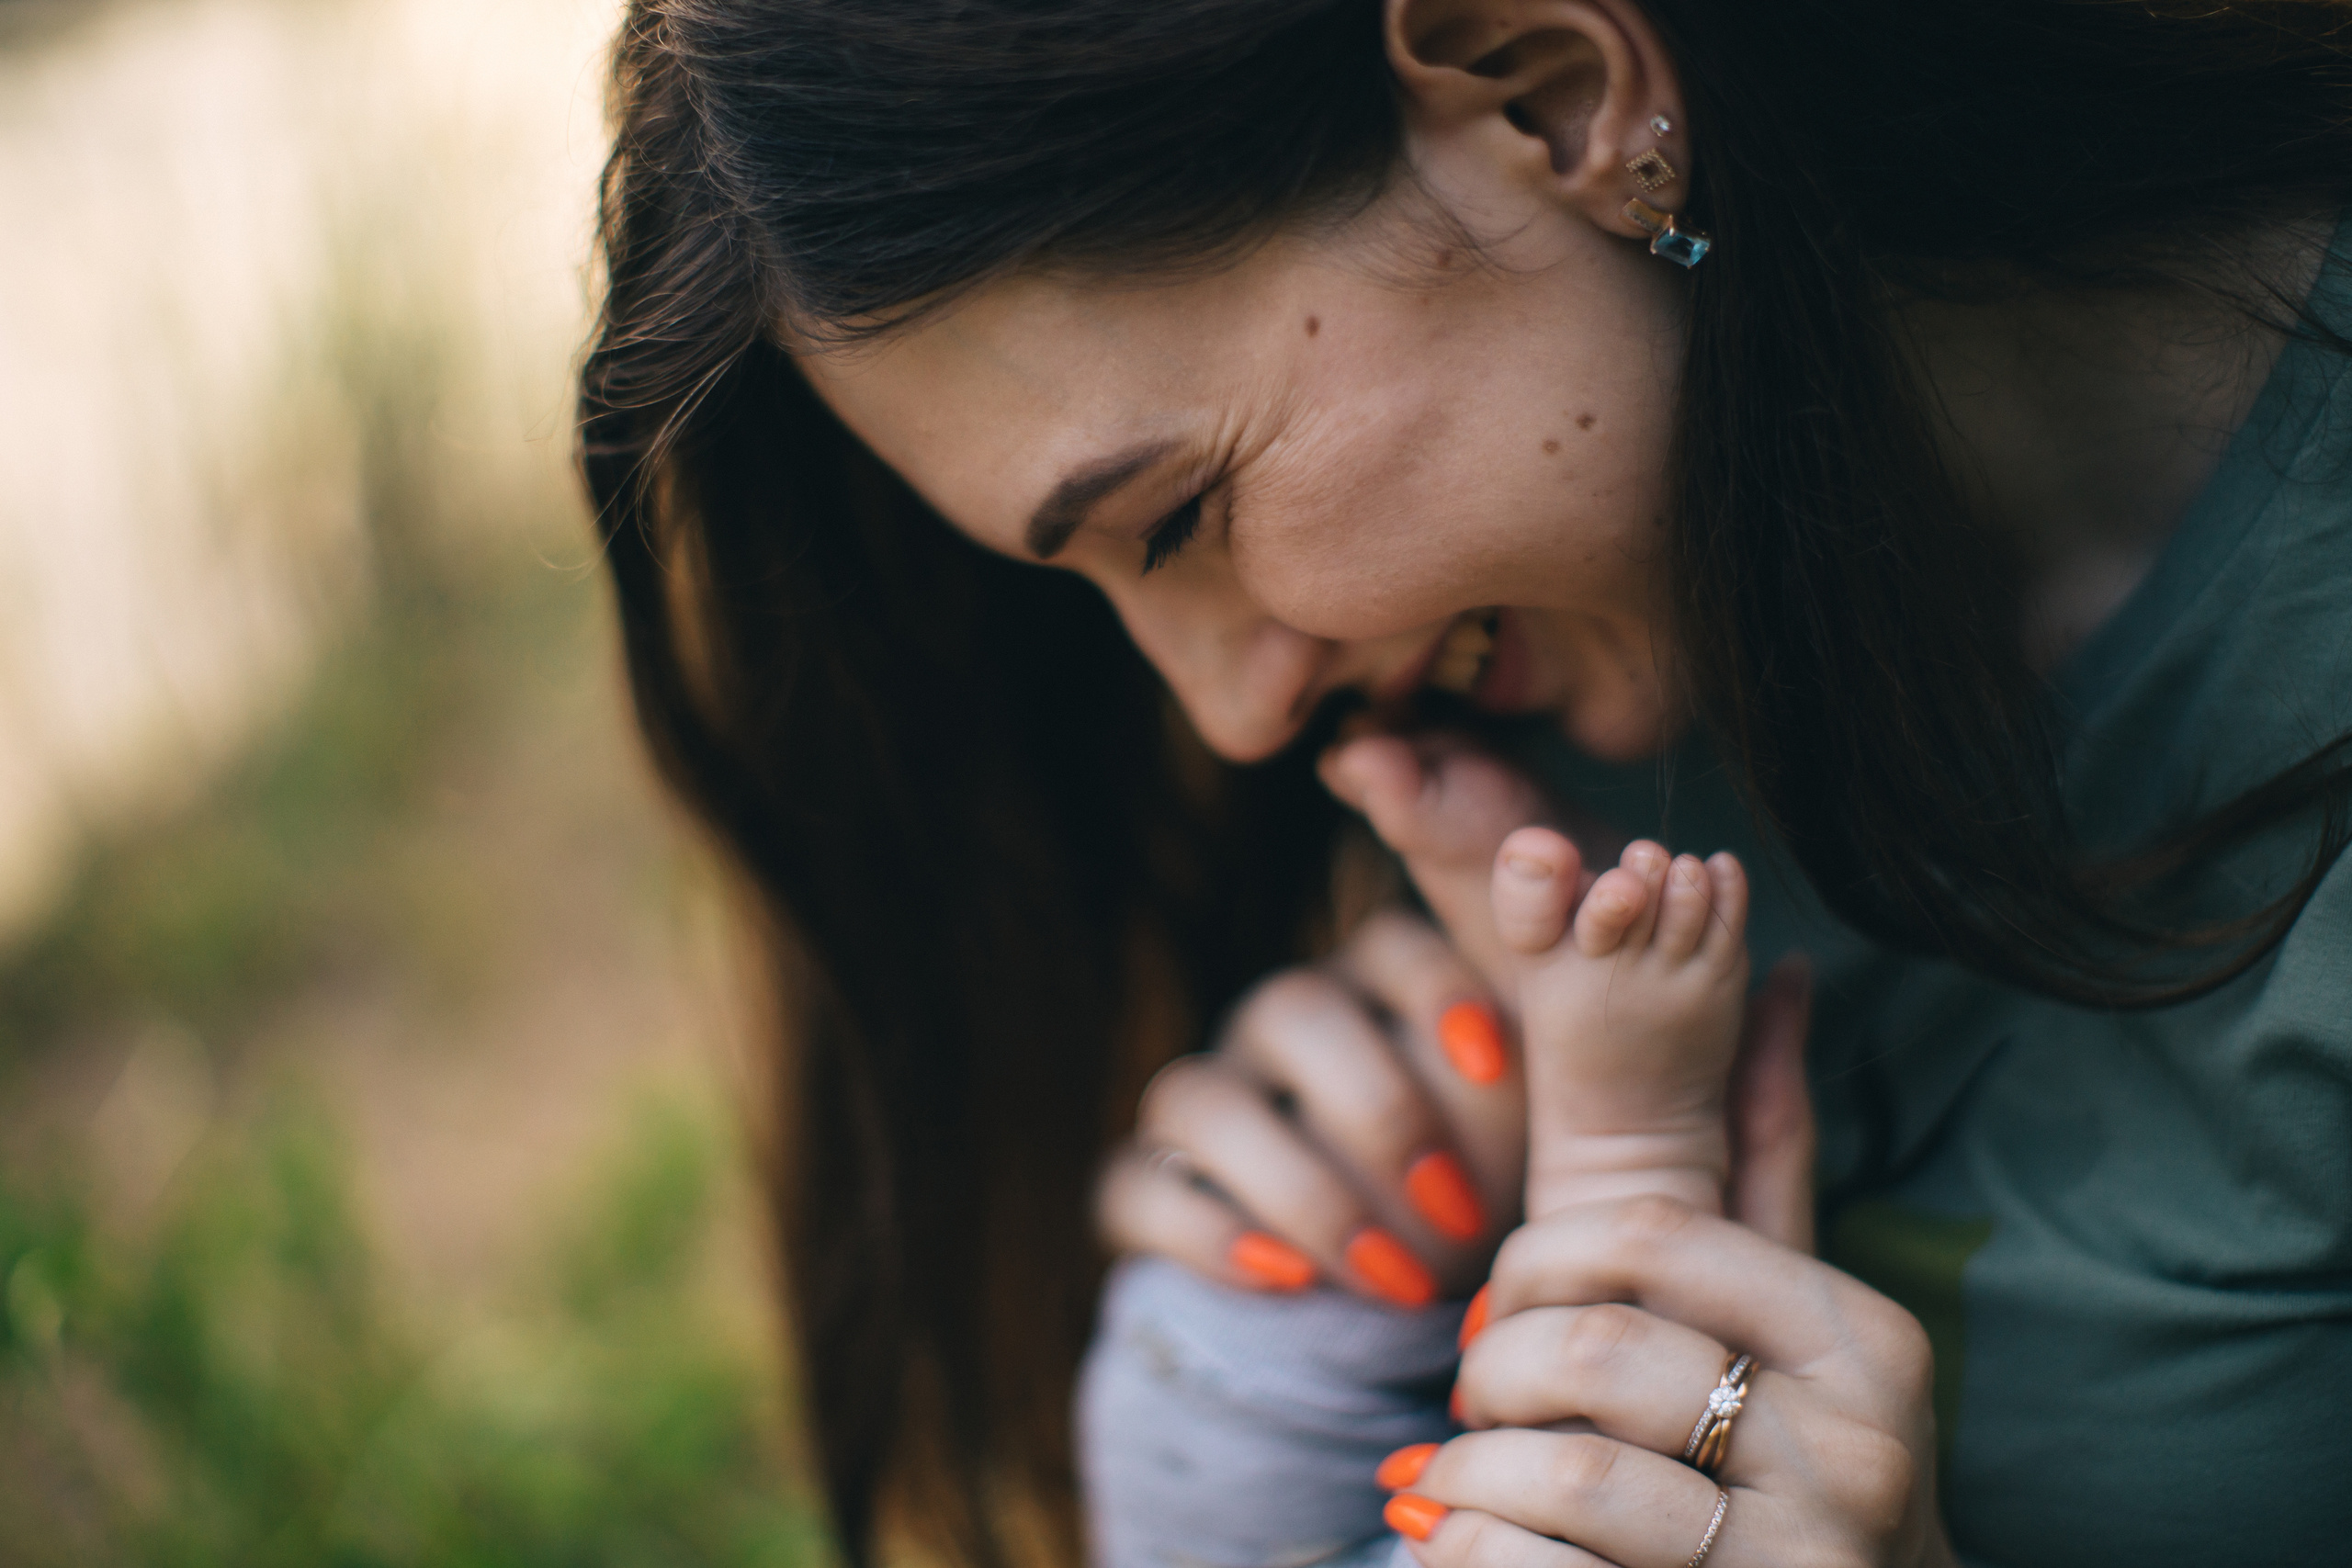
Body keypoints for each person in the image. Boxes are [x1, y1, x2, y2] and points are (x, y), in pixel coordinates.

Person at [575, 1, 2352, 1564]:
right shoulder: (1511, 735)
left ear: (1551, 98)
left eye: (1183, 518)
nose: (1232, 716)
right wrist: (1283, 1337)